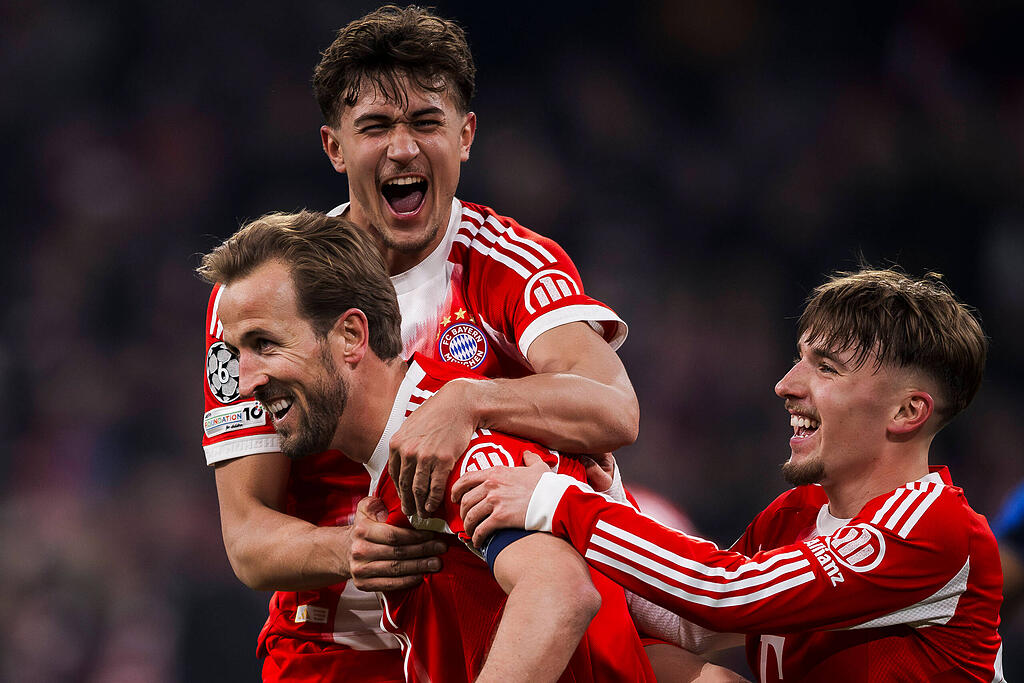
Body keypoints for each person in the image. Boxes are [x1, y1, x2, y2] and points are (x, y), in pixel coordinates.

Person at [200, 5, 638, 678]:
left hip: (481, 629)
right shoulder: (265, 296)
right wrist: (349, 549)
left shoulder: (510, 264)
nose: (403, 148)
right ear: (334, 147)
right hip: (333, 647)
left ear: (465, 136)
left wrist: (467, 400)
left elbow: (614, 408)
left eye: (426, 122)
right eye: (376, 126)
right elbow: (247, 536)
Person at [453, 268, 1005, 682]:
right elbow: (693, 625)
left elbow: (725, 593)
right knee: (658, 666)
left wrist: (559, 501)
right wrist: (607, 494)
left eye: (827, 368)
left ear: (907, 412)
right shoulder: (797, 514)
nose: (786, 385)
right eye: (800, 359)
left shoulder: (934, 525)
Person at [198, 210, 655, 682]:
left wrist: (471, 400)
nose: (245, 383)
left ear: (352, 336)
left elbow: (560, 592)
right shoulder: (400, 455)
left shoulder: (450, 454)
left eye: (266, 345)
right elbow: (246, 537)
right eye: (238, 352)